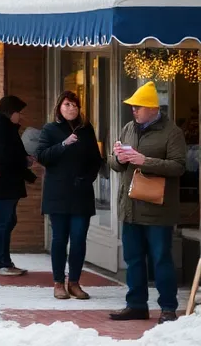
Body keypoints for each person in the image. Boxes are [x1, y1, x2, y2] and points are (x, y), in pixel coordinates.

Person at [107, 81, 188, 325]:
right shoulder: (129, 128)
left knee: (161, 258)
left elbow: (179, 166)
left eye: (138, 106)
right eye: (132, 106)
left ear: (153, 108)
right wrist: (118, 158)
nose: (134, 110)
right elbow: (114, 163)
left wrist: (145, 160)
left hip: (157, 209)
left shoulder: (172, 132)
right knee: (133, 258)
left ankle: (168, 308)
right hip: (130, 207)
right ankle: (136, 305)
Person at [37, 90, 104, 300]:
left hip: (81, 192)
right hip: (57, 192)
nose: (71, 108)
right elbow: (42, 156)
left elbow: (96, 159)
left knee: (78, 239)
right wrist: (64, 144)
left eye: (75, 105)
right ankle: (58, 282)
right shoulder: (50, 129)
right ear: (59, 107)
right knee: (59, 239)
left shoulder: (86, 129)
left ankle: (74, 282)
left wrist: (88, 178)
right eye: (67, 104)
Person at [0, 95, 38, 276]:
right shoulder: (0, 129)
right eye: (18, 112)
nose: (20, 116)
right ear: (10, 112)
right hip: (2, 184)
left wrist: (25, 161)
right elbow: (5, 160)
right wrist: (28, 171)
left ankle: (5, 261)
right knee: (2, 221)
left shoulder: (5, 127)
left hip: (7, 183)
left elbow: (13, 156)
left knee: (8, 221)